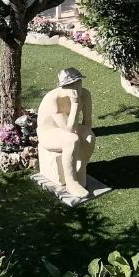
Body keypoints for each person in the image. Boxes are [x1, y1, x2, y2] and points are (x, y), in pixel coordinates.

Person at [36, 67, 96, 197]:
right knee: (71, 140)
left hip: (67, 128)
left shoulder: (85, 95)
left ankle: (80, 168)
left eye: (78, 82)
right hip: (48, 132)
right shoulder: (53, 99)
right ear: (63, 87)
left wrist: (86, 135)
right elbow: (69, 130)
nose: (76, 87)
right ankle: (71, 182)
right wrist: (75, 104)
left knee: (90, 136)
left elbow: (87, 122)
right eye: (71, 84)